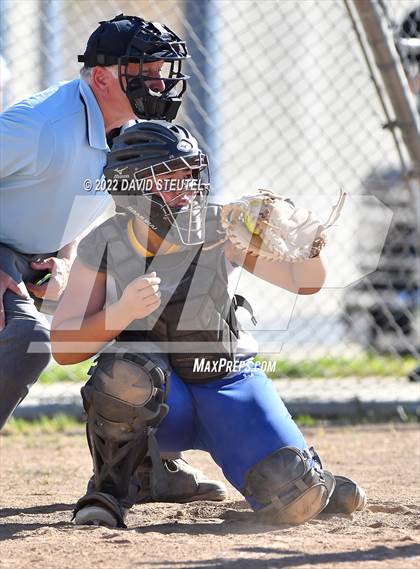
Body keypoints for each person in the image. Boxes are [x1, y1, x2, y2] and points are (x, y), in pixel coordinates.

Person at [51, 120, 367, 528]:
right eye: (169, 179)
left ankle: (312, 479)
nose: (185, 189)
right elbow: (64, 347)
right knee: (124, 376)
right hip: (163, 401)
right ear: (131, 188)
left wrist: (307, 244)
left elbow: (305, 283)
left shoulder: (222, 228)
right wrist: (122, 311)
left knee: (295, 498)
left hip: (226, 381)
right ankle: (114, 488)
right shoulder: (104, 243)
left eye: (189, 175)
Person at [0, 13, 225, 502]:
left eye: (161, 73)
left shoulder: (130, 132)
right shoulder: (38, 126)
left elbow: (77, 208)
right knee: (24, 337)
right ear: (101, 77)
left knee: (150, 295)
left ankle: (144, 465)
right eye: (145, 74)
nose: (159, 85)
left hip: (39, 255)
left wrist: (67, 259)